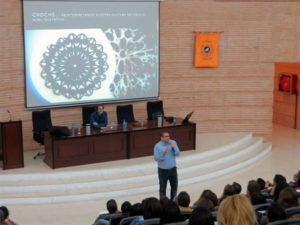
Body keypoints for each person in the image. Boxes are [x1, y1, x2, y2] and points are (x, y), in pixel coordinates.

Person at [154, 132, 180, 200]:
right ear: (162, 138)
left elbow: (178, 153)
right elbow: (156, 158)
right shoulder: (157, 146)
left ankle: (173, 202)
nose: (168, 137)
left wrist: (174, 148)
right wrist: (162, 154)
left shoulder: (173, 142)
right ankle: (163, 204)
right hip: (163, 171)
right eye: (166, 136)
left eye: (168, 136)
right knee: (162, 188)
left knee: (174, 187)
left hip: (173, 169)